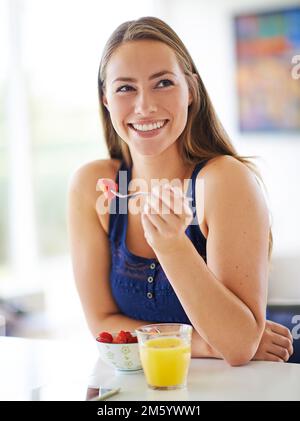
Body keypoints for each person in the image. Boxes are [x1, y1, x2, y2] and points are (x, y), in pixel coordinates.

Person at [67, 16, 293, 365]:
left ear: (191, 90)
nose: (145, 106)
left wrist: (172, 245)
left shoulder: (224, 182)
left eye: (163, 83)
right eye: (125, 88)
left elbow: (236, 347)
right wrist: (203, 343)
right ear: (106, 99)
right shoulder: (93, 187)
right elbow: (102, 325)